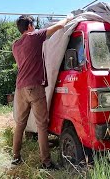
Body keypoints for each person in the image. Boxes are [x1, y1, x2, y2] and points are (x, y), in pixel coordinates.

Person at [11, 14, 72, 170]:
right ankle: (46, 162)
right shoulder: (35, 36)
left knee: (20, 124)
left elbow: (21, 65)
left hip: (20, 88)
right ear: (30, 26)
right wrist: (69, 17)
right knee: (42, 125)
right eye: (34, 25)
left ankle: (16, 157)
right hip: (34, 88)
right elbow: (58, 26)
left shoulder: (15, 45)